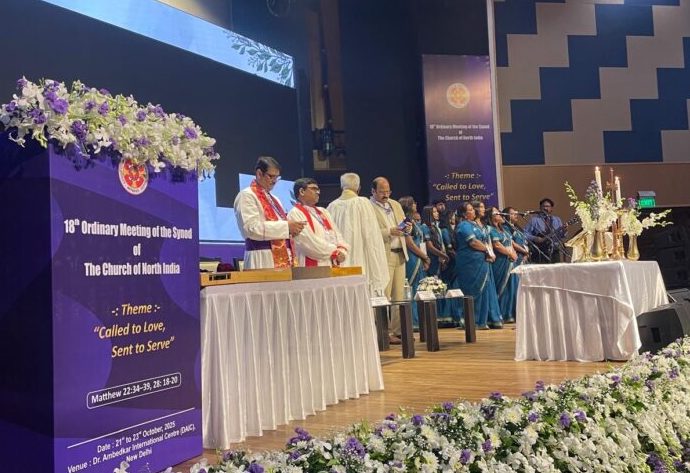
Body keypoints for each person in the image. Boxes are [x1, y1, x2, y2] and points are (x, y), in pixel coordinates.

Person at [233, 156, 305, 269]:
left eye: (277, 177)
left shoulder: (275, 199)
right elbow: (250, 228)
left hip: (282, 256)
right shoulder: (247, 195)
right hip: (261, 257)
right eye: (271, 176)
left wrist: (292, 231)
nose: (274, 181)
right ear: (259, 173)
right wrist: (286, 227)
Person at [326, 173, 389, 295]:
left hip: (340, 258)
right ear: (358, 188)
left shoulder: (331, 206)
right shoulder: (363, 203)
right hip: (361, 257)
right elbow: (372, 235)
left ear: (342, 187)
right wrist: (376, 263)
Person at [370, 177, 411, 345]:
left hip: (400, 253)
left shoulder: (395, 204)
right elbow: (369, 232)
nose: (386, 195)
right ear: (373, 191)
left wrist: (408, 228)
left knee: (399, 296)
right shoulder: (369, 207)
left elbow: (405, 224)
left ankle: (398, 331)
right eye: (382, 192)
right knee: (384, 295)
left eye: (388, 191)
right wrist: (389, 231)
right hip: (383, 256)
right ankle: (383, 332)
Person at [455, 201, 502, 329]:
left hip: (481, 261)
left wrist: (489, 252)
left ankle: (483, 320)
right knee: (474, 289)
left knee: (484, 288)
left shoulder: (475, 225)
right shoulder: (463, 225)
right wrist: (488, 250)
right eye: (470, 210)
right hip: (470, 263)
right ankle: (473, 321)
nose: (473, 211)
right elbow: (473, 242)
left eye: (472, 209)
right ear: (464, 214)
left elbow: (483, 240)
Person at [288, 178, 349, 267]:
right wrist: (334, 251)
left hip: (330, 262)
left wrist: (342, 251)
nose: (318, 192)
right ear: (302, 191)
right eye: (313, 189)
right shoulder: (295, 213)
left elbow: (337, 234)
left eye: (318, 189)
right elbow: (308, 243)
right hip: (311, 264)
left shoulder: (323, 212)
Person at [399, 196, 430, 328]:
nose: (416, 204)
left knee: (419, 287)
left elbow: (421, 242)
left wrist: (424, 258)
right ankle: (412, 321)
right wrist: (424, 256)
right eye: (413, 203)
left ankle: (421, 319)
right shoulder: (404, 221)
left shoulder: (414, 221)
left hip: (419, 256)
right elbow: (409, 243)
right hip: (411, 257)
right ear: (408, 205)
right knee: (411, 288)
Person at [487, 207, 518, 324]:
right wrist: (510, 253)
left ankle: (510, 313)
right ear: (491, 217)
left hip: (510, 260)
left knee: (512, 286)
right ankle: (502, 313)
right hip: (500, 261)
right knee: (503, 287)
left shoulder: (504, 229)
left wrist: (514, 253)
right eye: (497, 213)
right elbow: (497, 245)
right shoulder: (490, 229)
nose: (500, 214)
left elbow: (510, 243)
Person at [525, 197, 568, 264]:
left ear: (551, 208)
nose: (545, 208)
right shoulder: (534, 220)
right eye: (543, 206)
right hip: (539, 252)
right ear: (540, 208)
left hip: (554, 251)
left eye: (547, 206)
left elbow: (561, 236)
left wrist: (565, 230)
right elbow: (524, 234)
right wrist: (535, 238)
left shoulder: (557, 220)